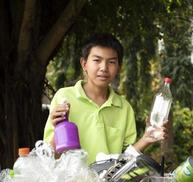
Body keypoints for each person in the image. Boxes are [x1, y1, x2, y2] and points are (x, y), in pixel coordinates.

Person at [43, 33, 168, 164]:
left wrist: (145, 139)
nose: (104, 68)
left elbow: (124, 161)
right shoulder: (64, 98)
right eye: (97, 60)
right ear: (84, 64)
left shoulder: (124, 108)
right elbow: (49, 156)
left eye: (111, 62)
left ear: (119, 67)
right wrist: (58, 130)